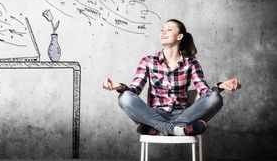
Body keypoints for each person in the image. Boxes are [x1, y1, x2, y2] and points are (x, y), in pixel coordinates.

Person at [102, 19, 241, 136]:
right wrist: (119, 87)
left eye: (168, 29)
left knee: (216, 98)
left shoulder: (191, 63)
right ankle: (178, 131)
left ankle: (157, 129)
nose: (163, 32)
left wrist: (220, 86)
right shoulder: (148, 61)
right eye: (162, 30)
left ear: (179, 36)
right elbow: (134, 90)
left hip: (184, 115)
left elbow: (204, 92)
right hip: (155, 114)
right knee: (124, 97)